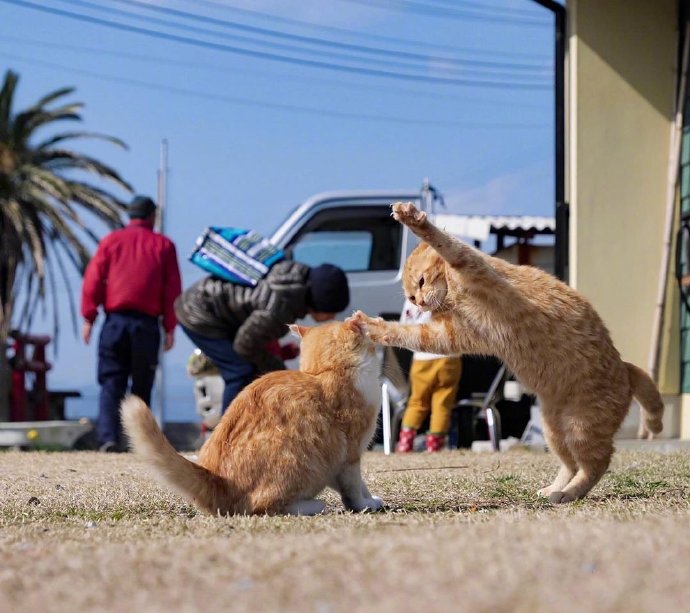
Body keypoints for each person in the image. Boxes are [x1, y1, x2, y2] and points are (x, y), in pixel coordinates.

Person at [174, 261, 349, 412]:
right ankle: (226, 438)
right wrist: (280, 372)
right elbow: (245, 345)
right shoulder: (278, 310)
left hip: (208, 304)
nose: (332, 318)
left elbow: (256, 336)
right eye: (332, 312)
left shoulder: (292, 278)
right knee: (239, 372)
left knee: (251, 370)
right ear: (319, 303)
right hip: (198, 313)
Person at [81, 195, 182, 452]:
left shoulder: (111, 241)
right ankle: (138, 442)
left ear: (130, 215)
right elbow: (172, 290)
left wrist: (89, 317)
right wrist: (170, 327)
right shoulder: (164, 245)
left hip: (115, 323)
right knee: (141, 385)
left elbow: (93, 279)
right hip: (146, 327)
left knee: (111, 382)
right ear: (151, 217)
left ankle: (108, 438)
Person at [396, 298, 462, 453]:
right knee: (443, 403)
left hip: (422, 358)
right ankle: (435, 445)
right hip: (449, 356)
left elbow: (404, 325)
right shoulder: (449, 294)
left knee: (417, 402)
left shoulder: (412, 299)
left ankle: (406, 442)